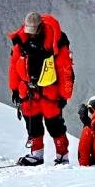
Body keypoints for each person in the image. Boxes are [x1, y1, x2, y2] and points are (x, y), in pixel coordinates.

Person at [8, 11, 74, 166]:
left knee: (55, 125)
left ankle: (62, 156)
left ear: (40, 28)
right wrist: (15, 90)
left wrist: (64, 96)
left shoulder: (56, 42)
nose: (30, 35)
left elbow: (65, 70)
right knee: (32, 123)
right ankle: (36, 154)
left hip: (50, 92)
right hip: (27, 91)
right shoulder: (20, 42)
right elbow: (14, 65)